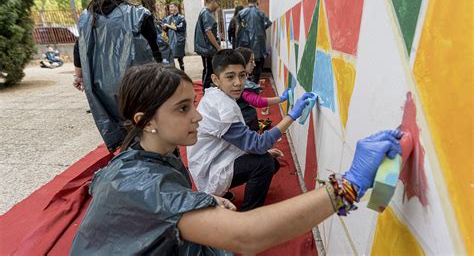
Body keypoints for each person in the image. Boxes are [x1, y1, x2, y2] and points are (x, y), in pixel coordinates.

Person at [70, 62, 403, 255]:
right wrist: (350, 184)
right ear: (147, 121)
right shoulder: (140, 181)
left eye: (193, 103)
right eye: (183, 109)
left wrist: (202, 198)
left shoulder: (150, 154)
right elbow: (246, 236)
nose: (197, 117)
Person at [186, 50, 309, 211]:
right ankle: (248, 215)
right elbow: (258, 144)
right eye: (230, 77)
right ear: (216, 79)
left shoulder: (219, 96)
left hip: (215, 159)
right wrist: (292, 116)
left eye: (242, 75)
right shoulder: (221, 106)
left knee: (271, 162)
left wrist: (261, 151)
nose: (238, 82)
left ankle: (224, 192)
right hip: (210, 170)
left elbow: (246, 143)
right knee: (264, 163)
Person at [73, 0, 162, 152]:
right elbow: (155, 52)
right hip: (137, 86)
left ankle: (130, 161)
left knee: (123, 135)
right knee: (150, 130)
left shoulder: (86, 17)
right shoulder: (138, 14)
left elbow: (79, 47)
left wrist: (78, 76)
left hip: (101, 89)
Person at [235, 47, 290, 131]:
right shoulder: (241, 85)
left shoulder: (239, 81)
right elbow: (258, 101)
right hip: (245, 123)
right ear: (242, 63)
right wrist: (281, 98)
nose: (254, 64)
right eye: (251, 61)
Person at [236, 0, 272, 84]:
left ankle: (245, 85)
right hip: (259, 45)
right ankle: (255, 84)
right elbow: (269, 23)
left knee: (244, 64)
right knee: (258, 66)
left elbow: (237, 29)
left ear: (248, 1)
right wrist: (261, 28)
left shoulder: (241, 13)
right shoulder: (261, 14)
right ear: (257, 0)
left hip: (245, 44)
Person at [194, 0, 221, 92]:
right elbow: (208, 32)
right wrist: (218, 48)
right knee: (208, 70)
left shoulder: (205, 12)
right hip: (207, 49)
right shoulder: (206, 13)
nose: (218, 6)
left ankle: (208, 89)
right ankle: (205, 91)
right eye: (218, 3)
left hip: (207, 49)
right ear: (213, 1)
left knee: (209, 69)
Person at [141, 0, 174, 65]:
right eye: (155, 2)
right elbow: (154, 37)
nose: (156, 5)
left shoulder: (150, 15)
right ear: (151, 3)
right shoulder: (148, 16)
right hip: (158, 53)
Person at [163, 2, 187, 71]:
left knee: (180, 58)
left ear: (176, 7)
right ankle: (173, 73)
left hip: (179, 41)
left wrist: (168, 26)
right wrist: (164, 27)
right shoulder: (168, 18)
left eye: (172, 7)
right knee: (170, 57)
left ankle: (183, 72)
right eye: (170, 7)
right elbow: (165, 30)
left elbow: (180, 28)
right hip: (170, 41)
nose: (171, 9)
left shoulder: (181, 18)